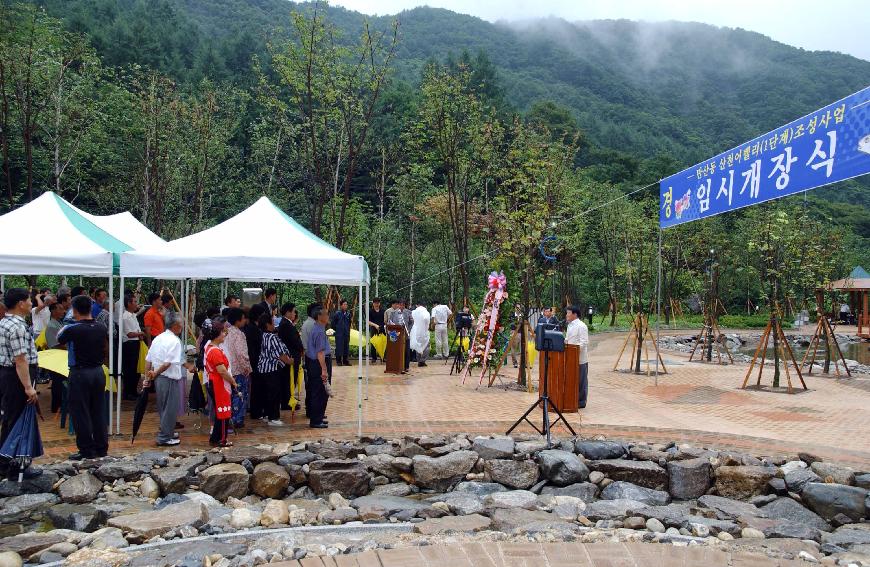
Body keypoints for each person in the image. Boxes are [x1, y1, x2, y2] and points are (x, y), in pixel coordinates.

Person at [57, 295, 109, 459]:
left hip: (80, 373)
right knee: (98, 410)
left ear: (75, 310)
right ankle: (101, 447)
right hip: (98, 372)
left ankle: (86, 450)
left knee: (81, 412)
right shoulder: (101, 327)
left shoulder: (73, 328)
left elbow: (59, 338)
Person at [0, 288, 41, 479]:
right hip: (17, 376)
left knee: (11, 418)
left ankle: (5, 463)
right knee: (20, 420)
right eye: (29, 300)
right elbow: (20, 360)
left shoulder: (4, 322)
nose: (31, 303)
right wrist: (28, 387)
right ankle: (16, 467)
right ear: (20, 304)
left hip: (8, 376)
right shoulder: (17, 326)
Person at [142, 311, 189, 447]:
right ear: (175, 325)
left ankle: (167, 432)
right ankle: (164, 437)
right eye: (181, 324)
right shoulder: (174, 341)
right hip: (167, 378)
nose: (182, 327)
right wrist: (154, 374)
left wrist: (148, 377)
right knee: (170, 408)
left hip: (159, 379)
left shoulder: (158, 338)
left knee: (163, 407)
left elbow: (148, 360)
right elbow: (167, 363)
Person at [203, 318, 236, 447]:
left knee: (219, 412)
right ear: (217, 334)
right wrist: (232, 381)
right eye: (223, 332)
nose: (225, 334)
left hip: (215, 381)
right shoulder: (215, 351)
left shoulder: (211, 347)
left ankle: (215, 437)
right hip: (219, 383)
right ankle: (222, 439)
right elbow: (221, 370)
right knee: (223, 412)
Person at [257, 313, 293, 426]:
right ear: (268, 324)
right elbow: (280, 354)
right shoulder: (272, 337)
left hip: (263, 368)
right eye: (272, 322)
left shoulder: (263, 335)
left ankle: (267, 415)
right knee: (274, 393)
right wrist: (289, 361)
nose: (274, 324)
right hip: (272, 368)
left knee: (267, 393)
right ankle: (274, 417)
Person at [224, 307, 251, 427]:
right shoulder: (239, 334)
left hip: (227, 370)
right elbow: (241, 354)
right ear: (238, 320)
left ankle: (229, 418)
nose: (245, 320)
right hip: (238, 370)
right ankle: (237, 420)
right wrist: (247, 368)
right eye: (244, 318)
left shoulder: (225, 332)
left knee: (230, 395)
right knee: (239, 395)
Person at [304, 306, 331, 429]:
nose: (328, 316)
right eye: (326, 314)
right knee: (319, 392)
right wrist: (324, 370)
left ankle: (319, 417)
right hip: (318, 364)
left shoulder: (318, 328)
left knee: (320, 392)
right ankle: (315, 420)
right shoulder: (319, 331)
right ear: (319, 317)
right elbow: (320, 353)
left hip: (314, 363)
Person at [277, 303, 303, 410]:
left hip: (292, 355)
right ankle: (287, 402)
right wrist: (301, 347)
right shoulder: (286, 324)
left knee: (291, 379)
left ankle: (289, 399)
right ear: (287, 312)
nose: (294, 314)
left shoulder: (287, 323)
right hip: (291, 356)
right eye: (293, 311)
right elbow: (294, 341)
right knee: (289, 379)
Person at [119, 295, 145, 400]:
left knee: (135, 369)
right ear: (129, 303)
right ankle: (128, 392)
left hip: (135, 343)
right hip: (129, 345)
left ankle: (133, 391)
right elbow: (130, 334)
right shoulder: (126, 317)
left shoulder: (132, 315)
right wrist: (140, 333)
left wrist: (139, 334)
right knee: (130, 369)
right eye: (134, 302)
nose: (136, 304)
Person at [243, 304, 266, 420]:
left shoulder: (256, 327)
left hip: (257, 361)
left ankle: (258, 409)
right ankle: (256, 411)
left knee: (259, 387)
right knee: (256, 387)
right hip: (255, 361)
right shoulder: (252, 329)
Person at [565, 305, 590, 409]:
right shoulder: (570, 325)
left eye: (568, 313)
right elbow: (567, 339)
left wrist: (572, 349)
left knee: (581, 381)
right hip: (570, 358)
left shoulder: (582, 326)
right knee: (572, 380)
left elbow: (584, 342)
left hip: (580, 359)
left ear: (574, 314)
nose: (566, 315)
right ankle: (572, 399)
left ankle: (581, 402)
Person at [331, 300, 352, 366]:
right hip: (339, 333)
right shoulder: (337, 314)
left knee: (346, 347)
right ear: (341, 305)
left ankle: (345, 361)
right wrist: (337, 330)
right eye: (344, 304)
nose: (346, 306)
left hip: (346, 333)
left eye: (346, 304)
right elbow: (333, 324)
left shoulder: (348, 314)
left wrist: (348, 331)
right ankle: (339, 361)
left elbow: (349, 323)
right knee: (339, 347)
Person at [410, 301, 431, 367]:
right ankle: (422, 360)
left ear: (417, 305)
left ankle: (419, 360)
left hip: (416, 331)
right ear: (425, 306)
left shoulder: (413, 312)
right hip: (424, 331)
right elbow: (427, 320)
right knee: (426, 346)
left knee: (417, 345)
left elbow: (411, 320)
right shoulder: (426, 312)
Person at [368, 298, 385, 363]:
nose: (376, 304)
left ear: (379, 303)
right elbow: (368, 321)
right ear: (373, 303)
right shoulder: (370, 311)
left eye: (378, 303)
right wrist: (375, 325)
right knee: (373, 343)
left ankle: (382, 357)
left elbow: (385, 320)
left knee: (382, 343)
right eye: (375, 303)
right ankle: (373, 358)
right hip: (374, 329)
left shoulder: (383, 311)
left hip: (382, 329)